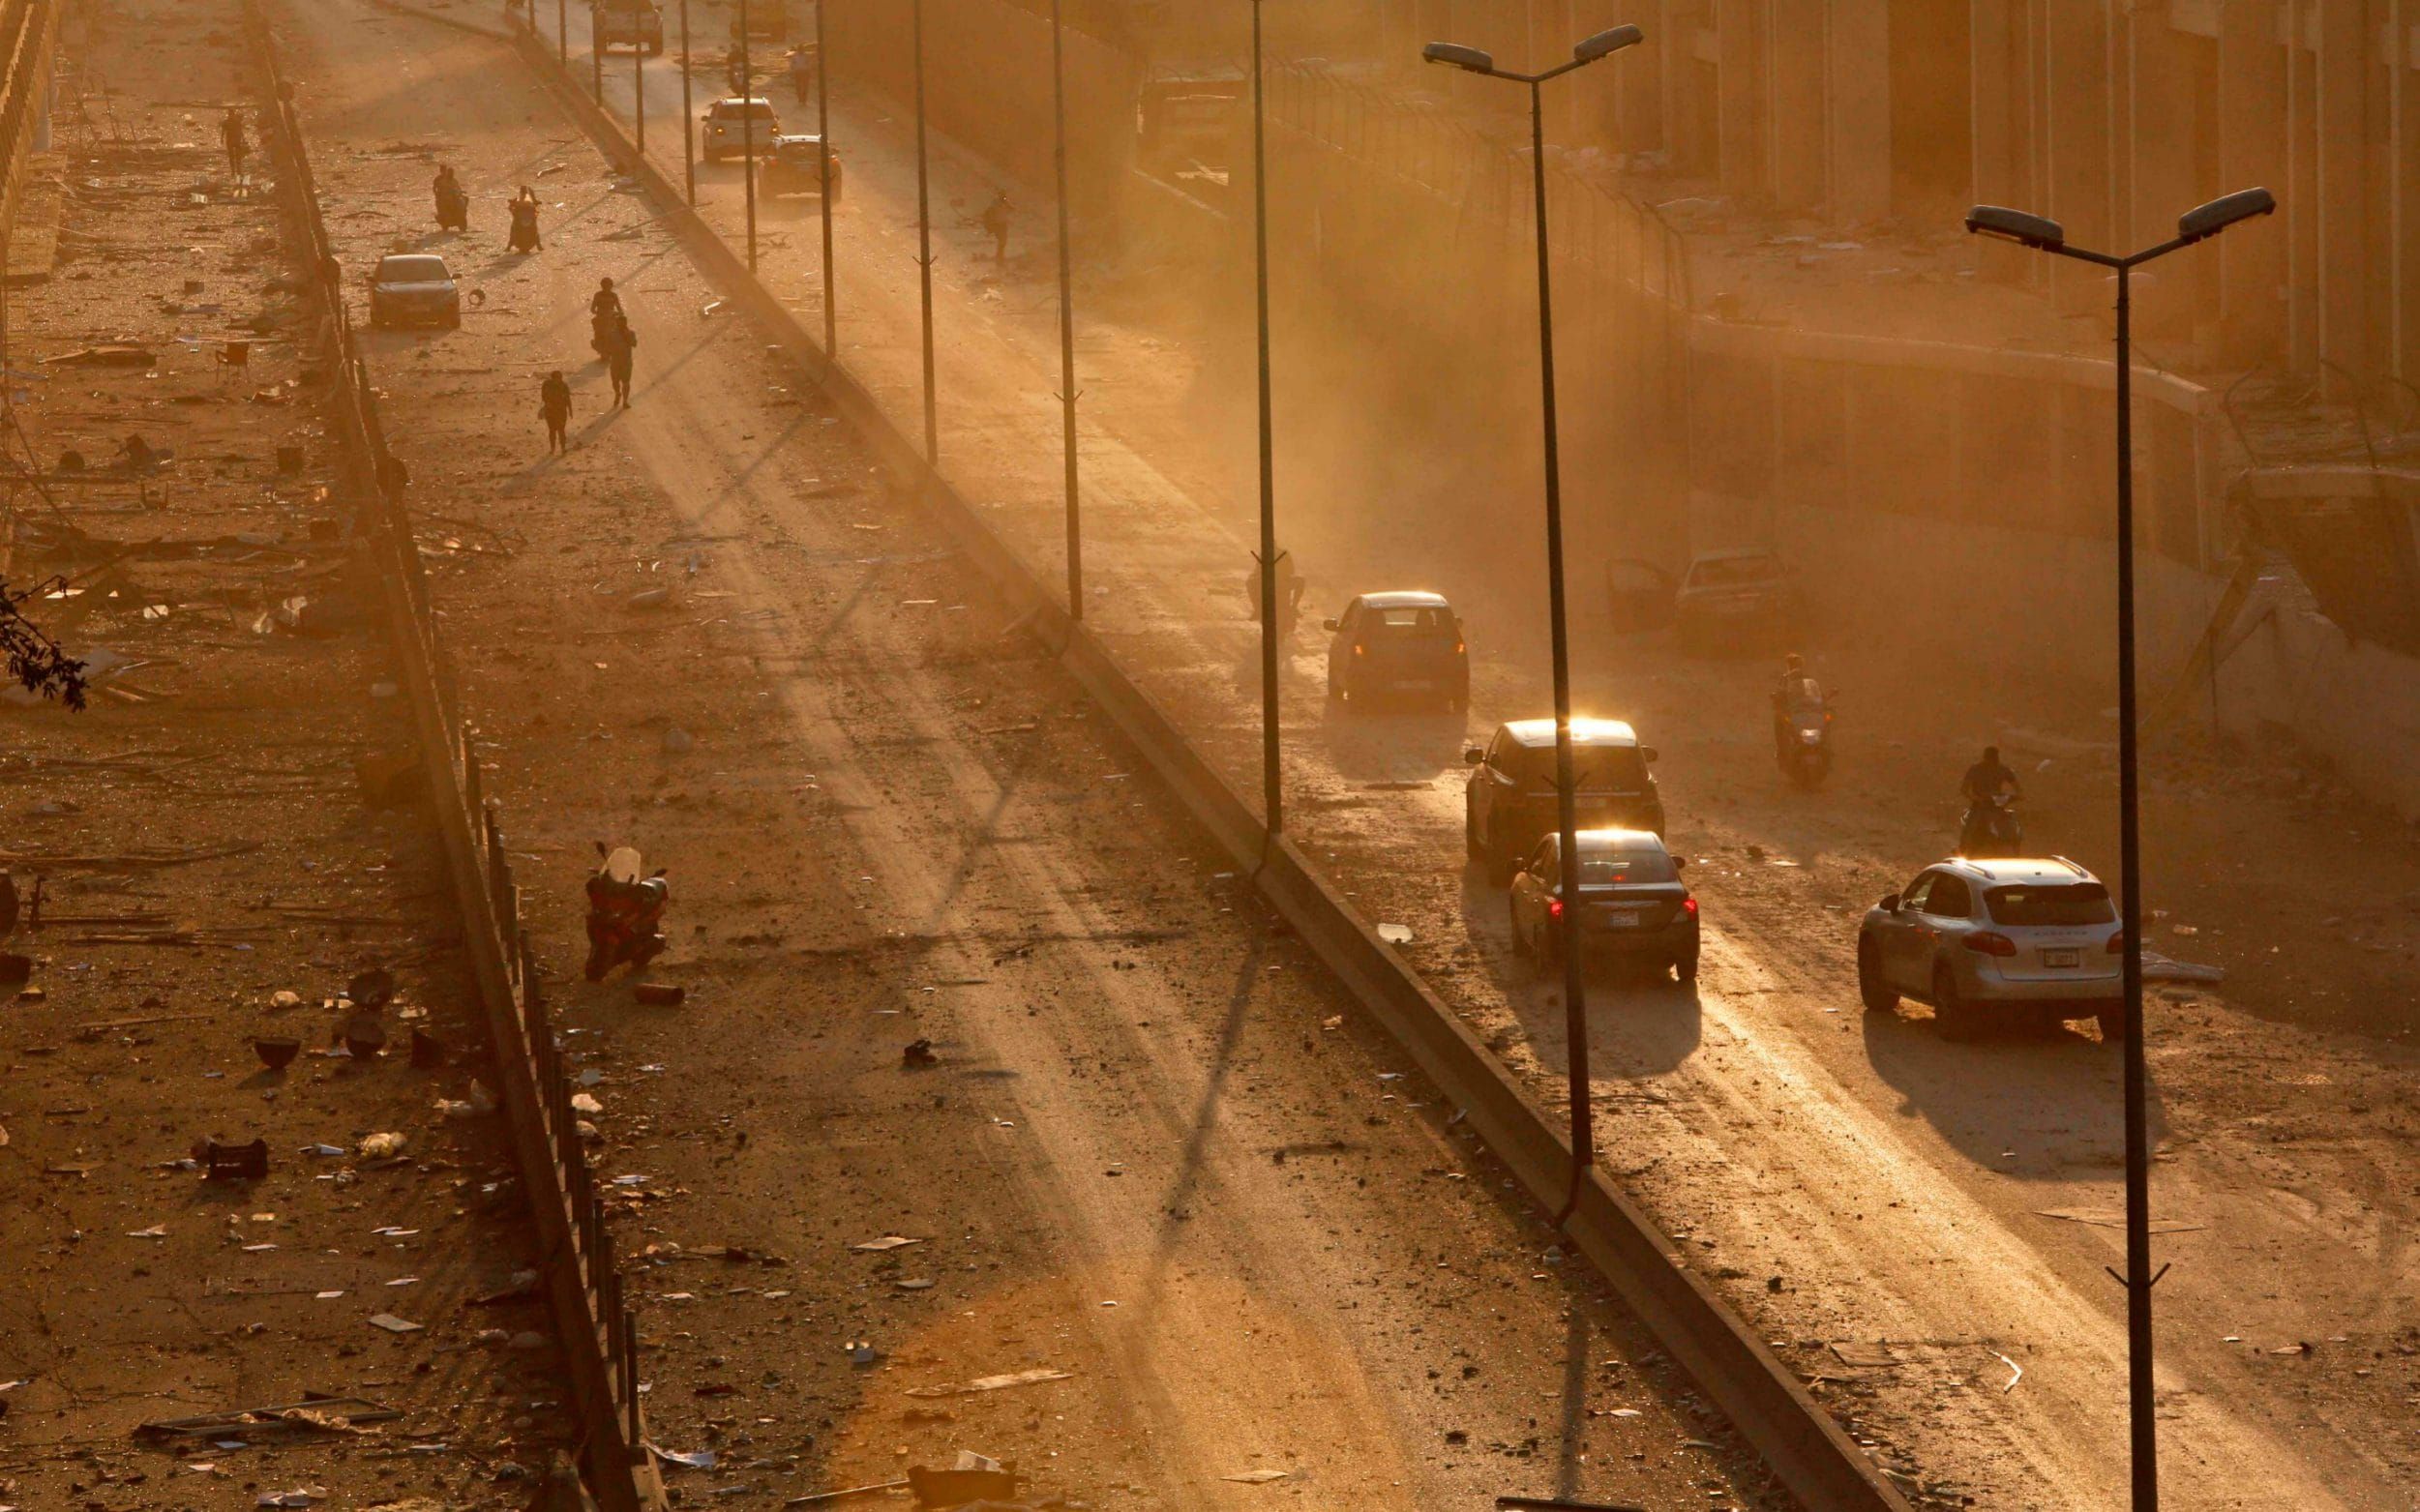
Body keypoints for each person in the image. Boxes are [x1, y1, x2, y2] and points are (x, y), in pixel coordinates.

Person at [1771, 653, 1821, 756]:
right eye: (1795, 664)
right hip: (1794, 708)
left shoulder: (1804, 678)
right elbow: (1779, 695)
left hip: (1804, 708)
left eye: (1798, 664)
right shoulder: (1787, 678)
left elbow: (1816, 691)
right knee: (1779, 719)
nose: (1796, 667)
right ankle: (1781, 749)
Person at [1961, 744, 2020, 809]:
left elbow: (1964, 790)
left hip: (1993, 802)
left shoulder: (2003, 770)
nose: (1991, 763)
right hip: (1980, 805)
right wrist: (1978, 800)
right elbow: (1964, 789)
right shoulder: (1975, 769)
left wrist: (2013, 797)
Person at [604, 316, 638, 407]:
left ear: (626, 323)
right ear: (616, 323)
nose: (621, 324)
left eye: (623, 322)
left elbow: (634, 344)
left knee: (626, 382)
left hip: (626, 362)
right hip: (615, 361)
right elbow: (607, 347)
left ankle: (625, 401)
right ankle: (617, 393)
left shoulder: (631, 333)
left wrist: (627, 336)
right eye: (619, 323)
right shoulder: (611, 334)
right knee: (615, 381)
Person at [539, 370, 573, 454]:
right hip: (550, 411)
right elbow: (543, 396)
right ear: (552, 378)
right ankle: (552, 448)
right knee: (552, 430)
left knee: (561, 430)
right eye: (556, 378)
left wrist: (570, 410)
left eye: (560, 377)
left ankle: (563, 448)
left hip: (561, 411)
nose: (558, 380)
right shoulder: (547, 385)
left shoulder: (564, 386)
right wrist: (547, 403)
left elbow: (568, 399)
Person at [980, 190, 1012, 264]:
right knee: (1002, 240)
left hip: (1003, 224)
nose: (1004, 197)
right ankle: (999, 256)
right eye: (1002, 195)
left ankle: (1000, 255)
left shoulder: (1004, 202)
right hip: (998, 224)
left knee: (1003, 240)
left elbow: (1010, 208)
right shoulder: (995, 203)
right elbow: (990, 212)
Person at [507, 187, 541, 252]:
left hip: (526, 217)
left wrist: (512, 205)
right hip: (524, 217)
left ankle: (509, 245)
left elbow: (535, 207)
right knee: (534, 228)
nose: (523, 195)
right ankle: (538, 245)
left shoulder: (524, 199)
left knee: (514, 227)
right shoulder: (527, 197)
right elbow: (535, 205)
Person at [221, 106, 250, 180]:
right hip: (235, 140)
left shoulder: (227, 122)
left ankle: (235, 171)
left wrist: (221, 139)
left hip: (231, 140)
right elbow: (240, 131)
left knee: (233, 156)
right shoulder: (236, 121)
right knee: (236, 156)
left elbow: (223, 131)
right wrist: (243, 138)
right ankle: (237, 171)